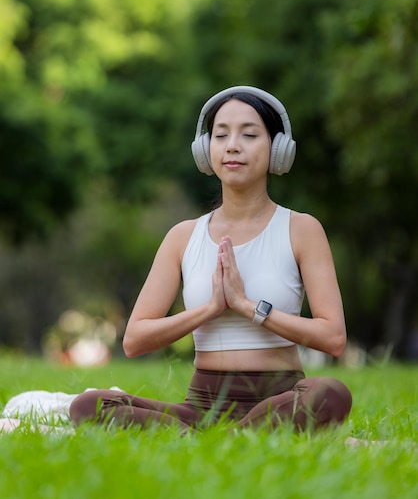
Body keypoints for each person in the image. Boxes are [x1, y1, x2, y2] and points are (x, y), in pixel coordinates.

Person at [69, 85, 352, 433]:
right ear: (206, 150)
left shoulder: (302, 229)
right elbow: (135, 339)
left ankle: (210, 440)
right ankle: (235, 439)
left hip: (280, 399)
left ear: (277, 149)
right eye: (220, 135)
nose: (232, 145)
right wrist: (210, 308)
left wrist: (248, 306)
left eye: (249, 134)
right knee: (89, 404)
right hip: (201, 407)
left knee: (330, 392)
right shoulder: (182, 237)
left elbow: (333, 337)